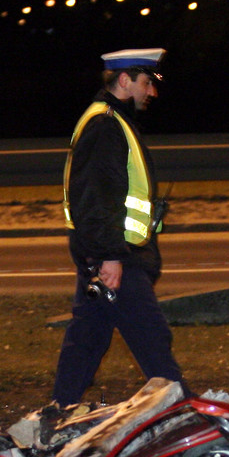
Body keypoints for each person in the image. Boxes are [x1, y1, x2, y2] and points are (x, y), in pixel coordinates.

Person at [51, 48, 188, 407]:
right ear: (124, 81)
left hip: (109, 253)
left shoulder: (112, 121)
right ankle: (185, 412)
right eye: (147, 83)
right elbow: (96, 196)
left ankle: (59, 410)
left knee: (87, 339)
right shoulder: (106, 125)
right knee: (152, 337)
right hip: (115, 257)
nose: (152, 92)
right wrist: (109, 255)